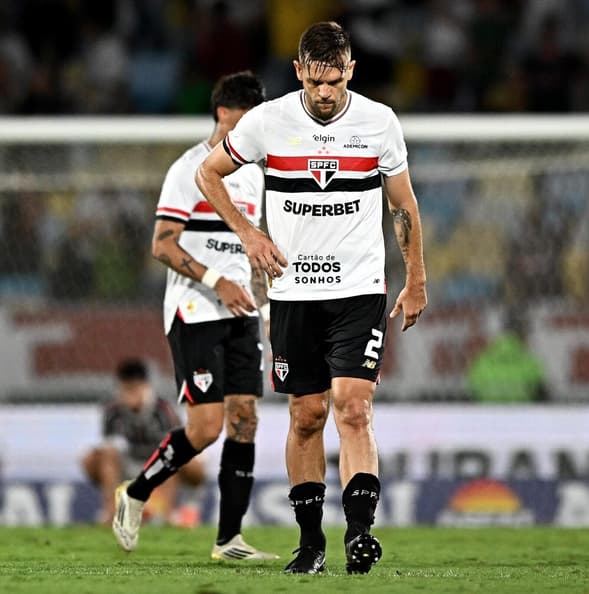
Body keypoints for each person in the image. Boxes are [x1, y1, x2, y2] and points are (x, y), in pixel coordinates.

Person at [194, 22, 428, 575]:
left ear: (351, 70)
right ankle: (310, 542)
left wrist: (415, 278)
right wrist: (249, 234)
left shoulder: (378, 122)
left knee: (353, 404)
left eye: (335, 81)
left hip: (360, 289)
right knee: (306, 414)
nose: (325, 93)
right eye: (315, 81)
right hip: (294, 292)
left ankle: (360, 534)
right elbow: (209, 173)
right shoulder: (267, 122)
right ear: (299, 71)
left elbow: (402, 205)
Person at [112, 71, 278, 562]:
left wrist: (265, 303)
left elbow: (254, 251)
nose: (254, 130)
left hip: (242, 311)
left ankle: (229, 540)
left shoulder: (253, 175)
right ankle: (136, 493)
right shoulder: (188, 169)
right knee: (206, 428)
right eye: (248, 118)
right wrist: (216, 283)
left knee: (244, 419)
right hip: (195, 309)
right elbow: (162, 244)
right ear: (224, 113)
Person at [82, 359, 205, 525]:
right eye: (126, 389)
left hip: (158, 461)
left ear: (145, 387)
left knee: (175, 456)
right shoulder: (112, 411)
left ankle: (166, 514)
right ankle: (111, 513)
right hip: (129, 462)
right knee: (94, 458)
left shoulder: (162, 410)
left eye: (134, 388)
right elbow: (109, 447)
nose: (130, 394)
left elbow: (176, 447)